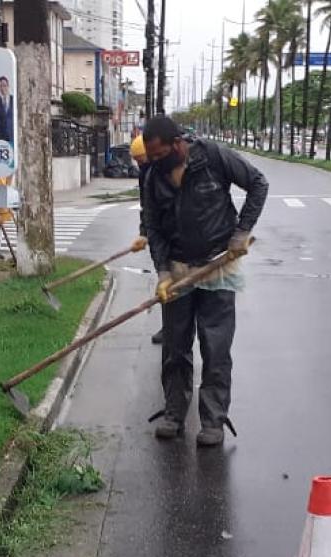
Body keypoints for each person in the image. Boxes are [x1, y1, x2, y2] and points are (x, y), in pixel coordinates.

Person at [140, 115, 267, 447]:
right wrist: (164, 272)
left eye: (158, 154)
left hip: (217, 267)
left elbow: (258, 183)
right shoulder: (154, 177)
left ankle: (213, 420)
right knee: (175, 346)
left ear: (177, 144)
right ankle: (173, 413)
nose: (153, 162)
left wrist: (241, 232)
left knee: (216, 347)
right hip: (179, 269)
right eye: (150, 158)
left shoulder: (212, 156)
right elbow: (153, 226)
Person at [127, 135, 163, 346]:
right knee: (165, 280)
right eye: (137, 161)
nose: (140, 165)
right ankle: (171, 327)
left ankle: (176, 329)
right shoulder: (145, 174)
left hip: (172, 236)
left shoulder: (164, 169)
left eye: (142, 160)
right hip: (157, 233)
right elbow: (146, 206)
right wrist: (144, 233)